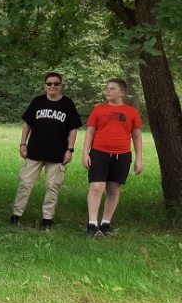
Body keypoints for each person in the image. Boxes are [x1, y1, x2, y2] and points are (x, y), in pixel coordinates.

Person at [11, 72, 82, 230]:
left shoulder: (67, 104)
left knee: (52, 186)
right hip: (35, 151)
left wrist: (70, 149)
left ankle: (47, 220)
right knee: (25, 184)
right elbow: (27, 124)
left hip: (57, 154)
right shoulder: (38, 101)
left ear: (61, 85)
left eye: (56, 84)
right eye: (49, 84)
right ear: (45, 86)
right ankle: (16, 216)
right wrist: (23, 144)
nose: (52, 86)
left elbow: (73, 129)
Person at [82, 79, 143, 237]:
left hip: (122, 155)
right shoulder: (98, 110)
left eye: (112, 89)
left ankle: (105, 224)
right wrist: (85, 153)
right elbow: (90, 132)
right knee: (96, 188)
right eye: (106, 88)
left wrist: (139, 159)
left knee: (114, 190)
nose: (108, 91)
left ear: (122, 92)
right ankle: (92, 225)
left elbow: (136, 136)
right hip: (99, 153)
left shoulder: (131, 112)